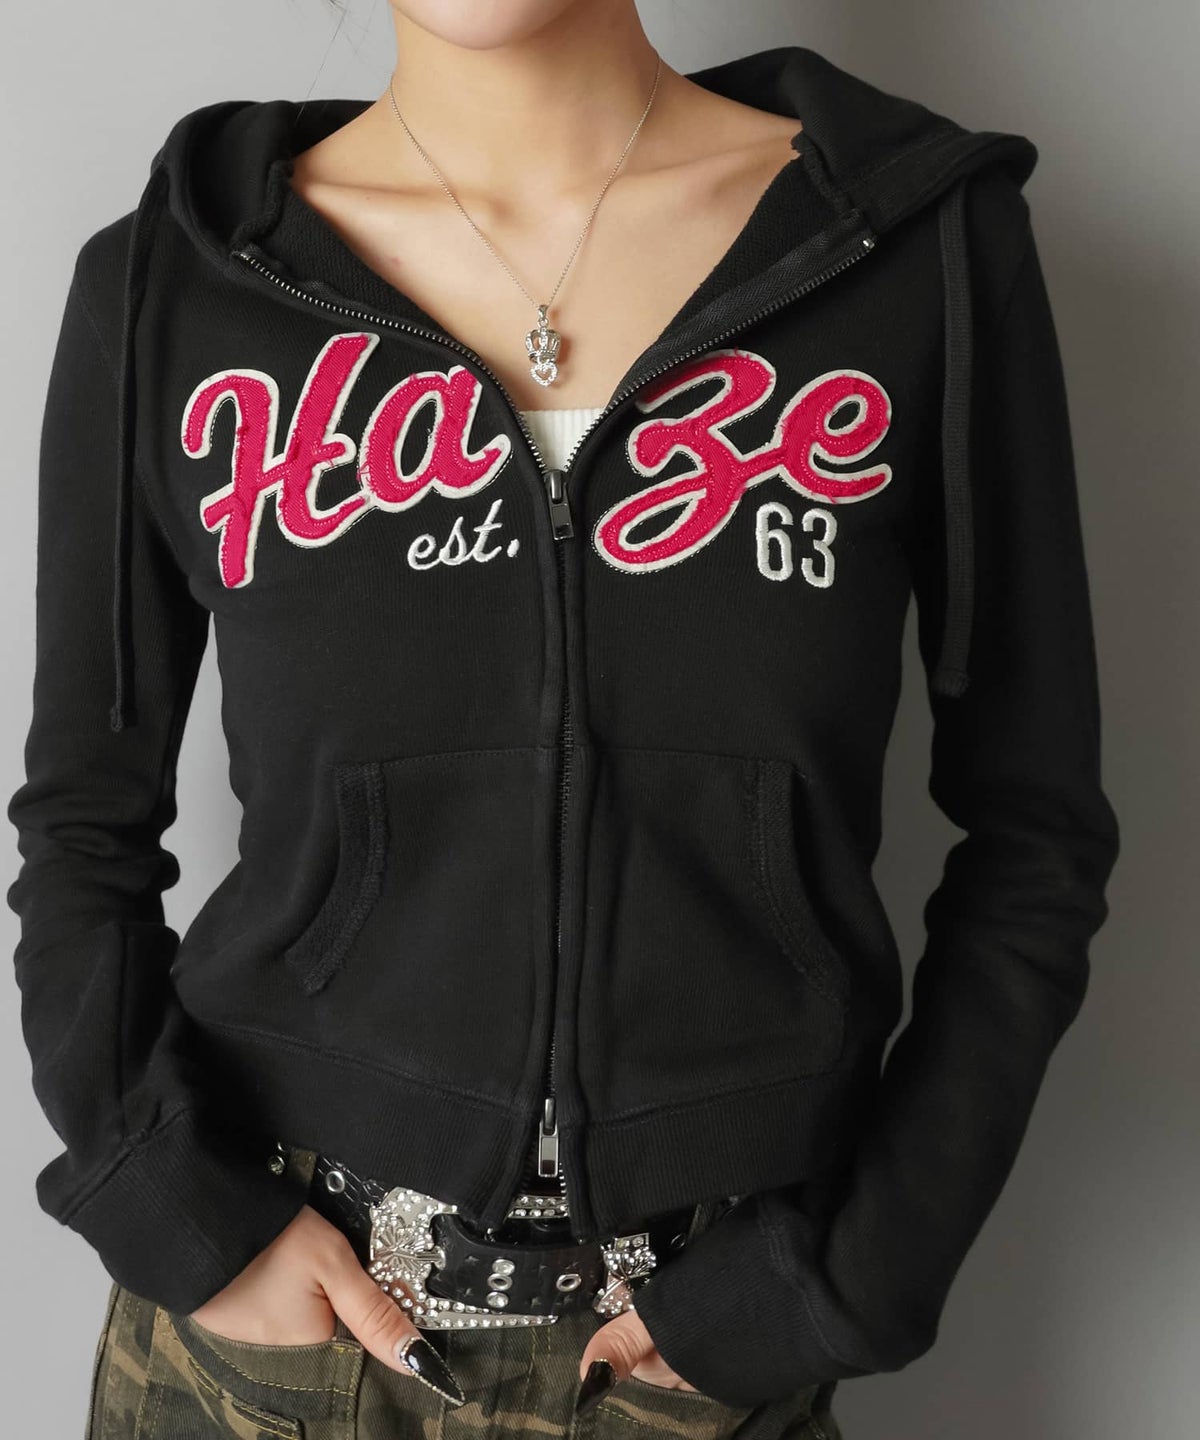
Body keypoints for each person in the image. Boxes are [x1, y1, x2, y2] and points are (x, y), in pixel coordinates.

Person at [7, 0, 1121, 1436]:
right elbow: (83, 826)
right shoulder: (173, 283)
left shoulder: (916, 250)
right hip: (266, 1348)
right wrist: (174, 1209)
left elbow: (1035, 832)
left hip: (706, 1338)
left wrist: (864, 1267)